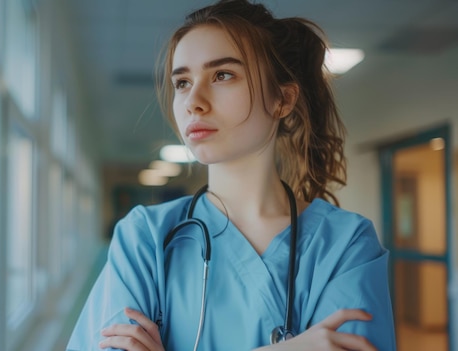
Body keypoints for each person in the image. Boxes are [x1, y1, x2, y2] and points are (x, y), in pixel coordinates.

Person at [67, 0, 396, 350]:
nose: (193, 101)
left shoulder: (344, 244)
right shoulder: (146, 238)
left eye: (223, 75)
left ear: (282, 99)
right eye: (181, 82)